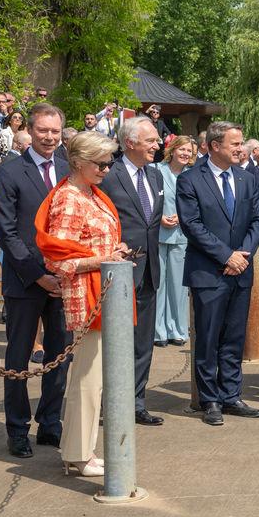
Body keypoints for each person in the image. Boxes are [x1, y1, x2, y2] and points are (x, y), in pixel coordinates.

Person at [36, 131, 132, 477]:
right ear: (78, 163)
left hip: (104, 296)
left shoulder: (91, 194)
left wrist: (112, 254)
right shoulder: (70, 199)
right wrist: (104, 258)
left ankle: (80, 451)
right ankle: (78, 454)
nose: (108, 169)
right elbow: (57, 259)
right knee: (87, 381)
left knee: (95, 380)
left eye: (110, 162)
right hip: (87, 299)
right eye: (101, 163)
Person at [0, 103, 71, 458]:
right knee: (18, 357)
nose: (50, 138)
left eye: (55, 132)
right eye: (43, 131)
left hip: (65, 280)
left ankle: (50, 424)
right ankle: (17, 429)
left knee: (60, 355)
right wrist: (38, 275)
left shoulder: (70, 170)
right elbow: (7, 231)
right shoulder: (10, 172)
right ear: (31, 131)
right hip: (25, 281)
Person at [176, 121, 259, 426]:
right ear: (215, 146)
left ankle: (231, 395)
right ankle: (210, 399)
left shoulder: (247, 178)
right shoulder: (190, 180)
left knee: (234, 338)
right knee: (209, 338)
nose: (241, 149)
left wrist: (243, 254)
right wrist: (226, 256)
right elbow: (192, 225)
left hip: (240, 271)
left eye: (241, 144)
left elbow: (258, 220)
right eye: (235, 144)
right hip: (208, 272)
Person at [99, 116, 164, 427]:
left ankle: (136, 403)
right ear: (130, 143)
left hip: (149, 271)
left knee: (142, 342)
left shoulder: (155, 176)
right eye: (151, 140)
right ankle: (108, 403)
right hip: (118, 273)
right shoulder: (108, 176)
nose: (158, 144)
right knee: (113, 342)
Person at [153, 135, 196, 347]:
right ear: (173, 149)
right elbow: (149, 199)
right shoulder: (156, 170)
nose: (186, 154)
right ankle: (158, 330)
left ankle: (178, 329)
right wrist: (159, 216)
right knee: (159, 284)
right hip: (159, 232)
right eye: (182, 149)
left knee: (179, 286)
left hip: (182, 235)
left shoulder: (193, 175)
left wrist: (183, 216)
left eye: (189, 151)